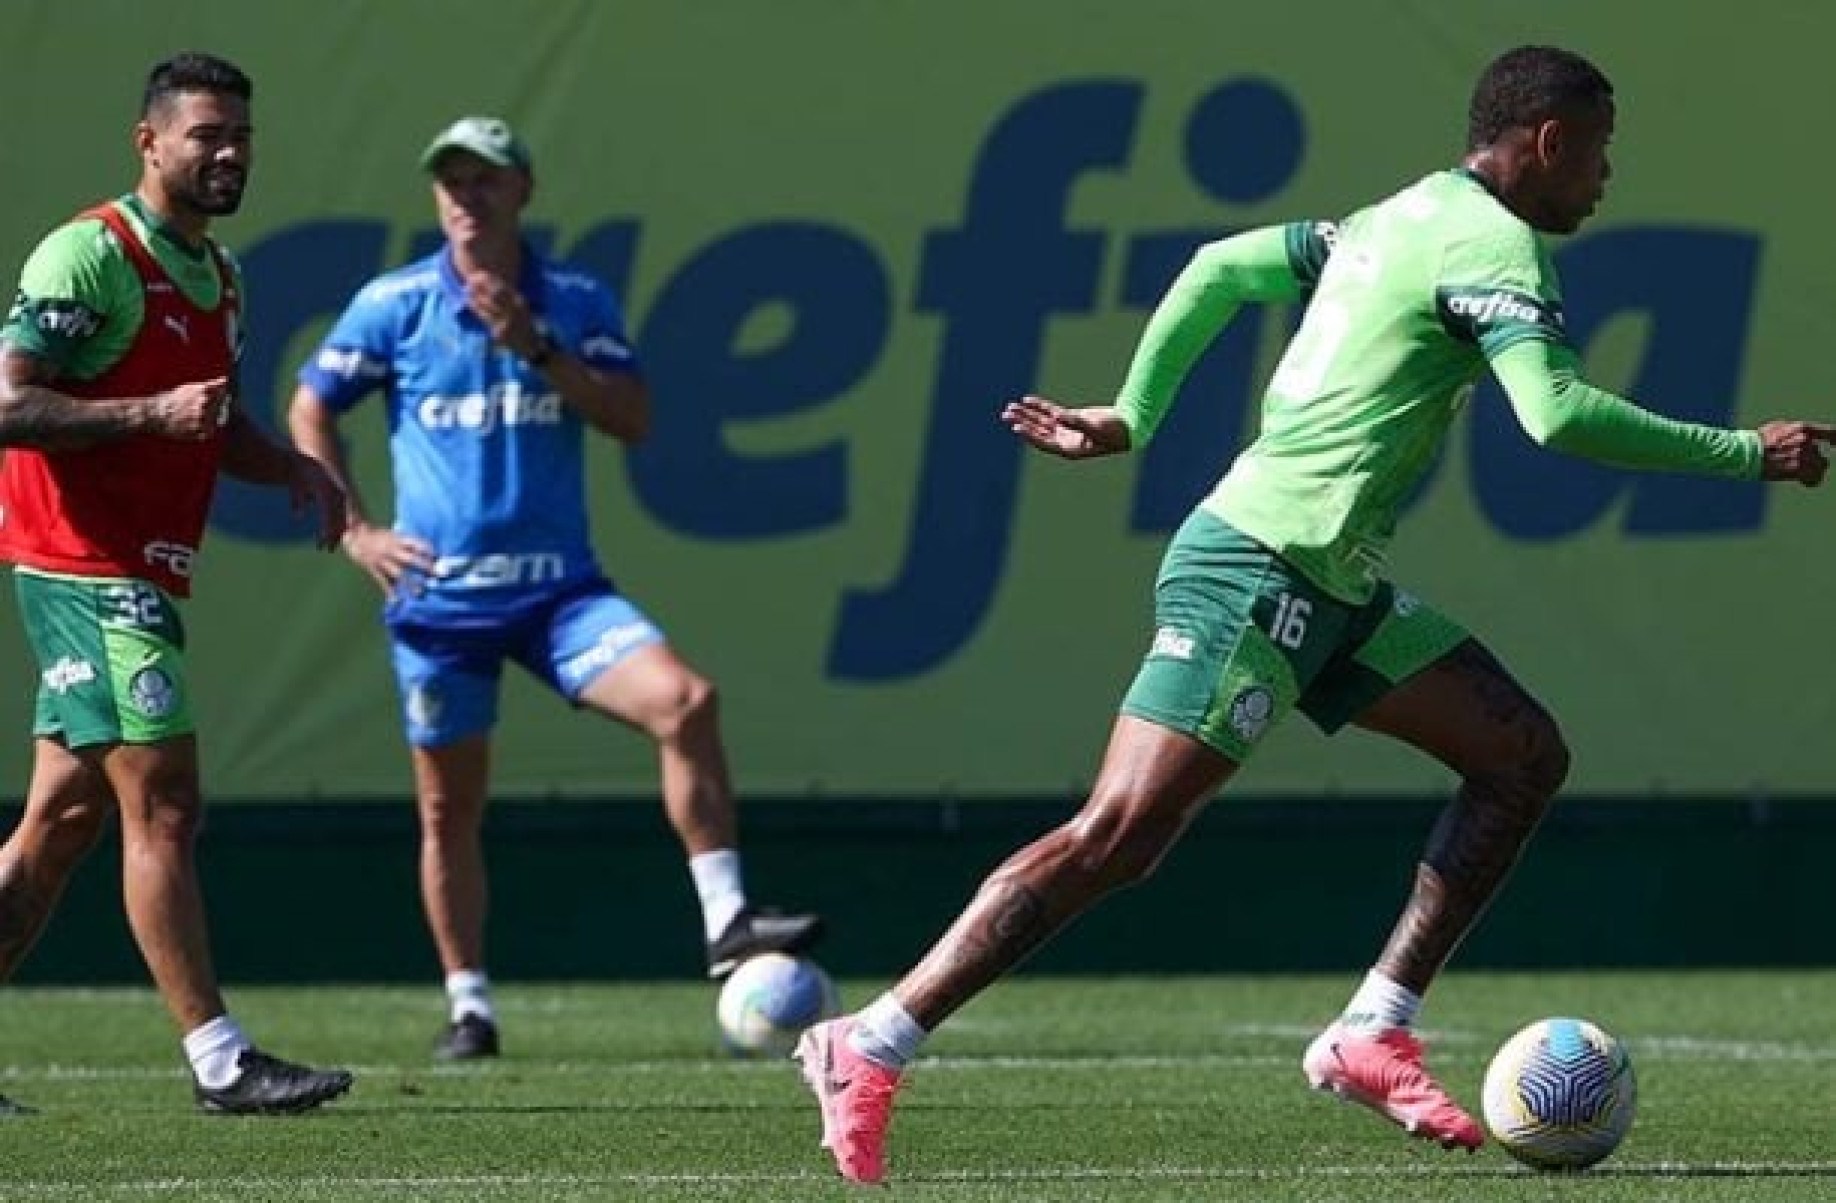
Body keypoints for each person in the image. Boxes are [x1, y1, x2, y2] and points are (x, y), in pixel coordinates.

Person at [792, 44, 1836, 1183]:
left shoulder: (1389, 221)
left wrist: (1136, 415)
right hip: (1256, 567)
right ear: (1546, 142)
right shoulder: (1493, 248)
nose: (1603, 175)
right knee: (1118, 836)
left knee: (1520, 755)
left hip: (1329, 583)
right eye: (1597, 150)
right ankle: (870, 1039)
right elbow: (1554, 414)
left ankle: (1371, 1030)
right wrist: (1748, 453)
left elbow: (1219, 268)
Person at [287, 115, 824, 1062]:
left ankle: (726, 920)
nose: (465, 196)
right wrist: (353, 529)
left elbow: (635, 417)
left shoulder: (573, 300)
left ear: (522, 189)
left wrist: (535, 346)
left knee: (686, 702)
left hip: (559, 596)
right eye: (450, 180)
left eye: (485, 179)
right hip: (442, 609)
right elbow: (309, 405)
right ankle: (471, 1005)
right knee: (449, 809)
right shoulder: (396, 302)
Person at [0, 52, 355, 1115]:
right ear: (148, 142)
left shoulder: (221, 274)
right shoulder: (89, 255)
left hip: (142, 570)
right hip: (83, 565)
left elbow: (214, 417)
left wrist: (285, 464)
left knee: (60, 827)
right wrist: (147, 418)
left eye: (241, 134)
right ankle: (219, 1058)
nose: (230, 152)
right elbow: (10, 401)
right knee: (164, 805)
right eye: (206, 134)